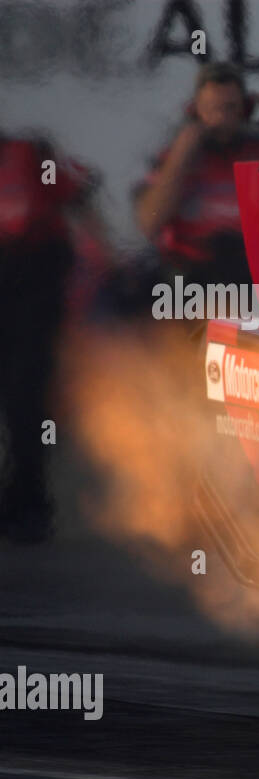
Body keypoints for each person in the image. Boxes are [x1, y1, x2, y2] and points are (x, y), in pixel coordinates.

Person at [135, 62, 259, 287]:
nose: (222, 118)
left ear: (245, 109)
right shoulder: (176, 157)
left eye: (230, 108)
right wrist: (181, 153)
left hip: (255, 271)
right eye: (213, 109)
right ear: (196, 111)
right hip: (193, 273)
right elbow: (149, 222)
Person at [0, 130, 94, 541]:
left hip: (31, 286)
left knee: (27, 399)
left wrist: (103, 265)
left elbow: (77, 197)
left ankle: (29, 501)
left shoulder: (31, 155)